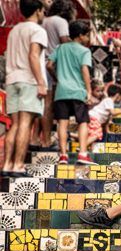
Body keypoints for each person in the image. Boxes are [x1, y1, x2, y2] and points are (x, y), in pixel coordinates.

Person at [2, 0, 47, 177]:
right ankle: (18, 165)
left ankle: (7, 164)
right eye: (43, 11)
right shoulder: (37, 30)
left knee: (14, 125)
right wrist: (41, 82)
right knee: (25, 124)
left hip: (12, 80)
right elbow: (33, 55)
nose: (44, 14)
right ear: (38, 11)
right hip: (29, 80)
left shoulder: (14, 31)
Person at [47, 20, 95, 165]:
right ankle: (82, 153)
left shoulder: (60, 48)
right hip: (78, 92)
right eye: (87, 36)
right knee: (82, 122)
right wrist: (89, 90)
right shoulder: (84, 51)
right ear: (80, 36)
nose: (88, 39)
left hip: (61, 92)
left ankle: (63, 156)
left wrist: (58, 78)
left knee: (62, 123)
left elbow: (49, 65)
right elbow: (85, 70)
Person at [32, 0, 75, 151]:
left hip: (38, 63)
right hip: (51, 66)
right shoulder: (61, 21)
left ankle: (35, 139)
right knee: (49, 105)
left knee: (41, 104)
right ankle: (46, 140)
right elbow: (65, 42)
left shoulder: (42, 20)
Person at [85, 84, 121, 149]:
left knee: (92, 135)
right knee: (97, 134)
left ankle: (90, 150)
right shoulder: (109, 100)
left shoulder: (108, 102)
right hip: (94, 118)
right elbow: (113, 112)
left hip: (92, 118)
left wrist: (107, 130)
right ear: (117, 95)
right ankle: (82, 147)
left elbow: (106, 119)